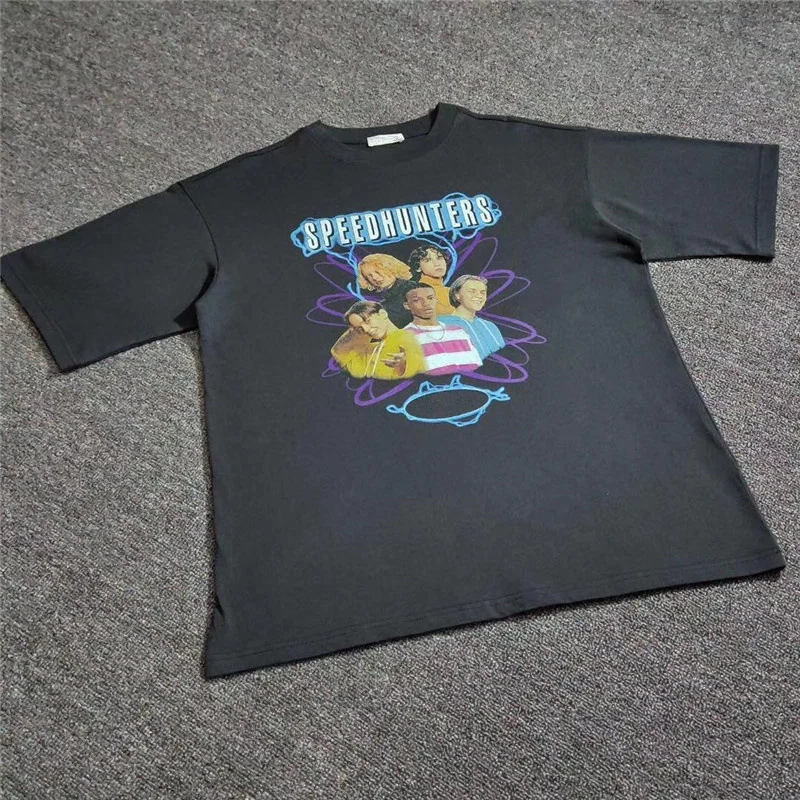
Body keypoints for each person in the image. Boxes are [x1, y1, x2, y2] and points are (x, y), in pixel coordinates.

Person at [331, 300, 425, 380]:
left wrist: (405, 364)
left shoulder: (408, 338)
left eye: (367, 321)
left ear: (383, 314)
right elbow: (338, 353)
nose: (366, 330)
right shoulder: (370, 350)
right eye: (359, 328)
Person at [401, 283, 482, 376]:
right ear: (407, 305)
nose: (426, 303)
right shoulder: (404, 337)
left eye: (430, 298)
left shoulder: (459, 332)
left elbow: (476, 366)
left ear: (436, 300)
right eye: (417, 300)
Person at [438, 274, 505, 359]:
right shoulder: (441, 324)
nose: (479, 296)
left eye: (482, 292)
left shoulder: (490, 327)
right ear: (457, 295)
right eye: (472, 291)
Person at [356, 253, 415, 328]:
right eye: (369, 276)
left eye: (377, 271)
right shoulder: (382, 305)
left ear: (390, 268)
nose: (374, 278)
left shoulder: (414, 289)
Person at [407, 244, 456, 315]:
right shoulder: (417, 292)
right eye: (428, 260)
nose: (437, 264)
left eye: (439, 258)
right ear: (418, 268)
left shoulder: (451, 292)